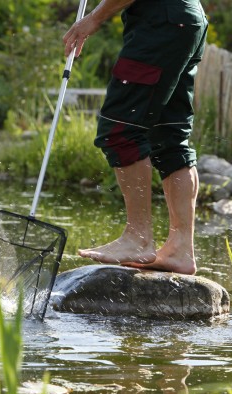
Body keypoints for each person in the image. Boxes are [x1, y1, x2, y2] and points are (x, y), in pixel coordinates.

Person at [62, 0, 208, 275]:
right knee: (170, 136)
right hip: (186, 18)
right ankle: (181, 250)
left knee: (120, 129)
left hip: (162, 22)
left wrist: (94, 17)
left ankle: (138, 238)